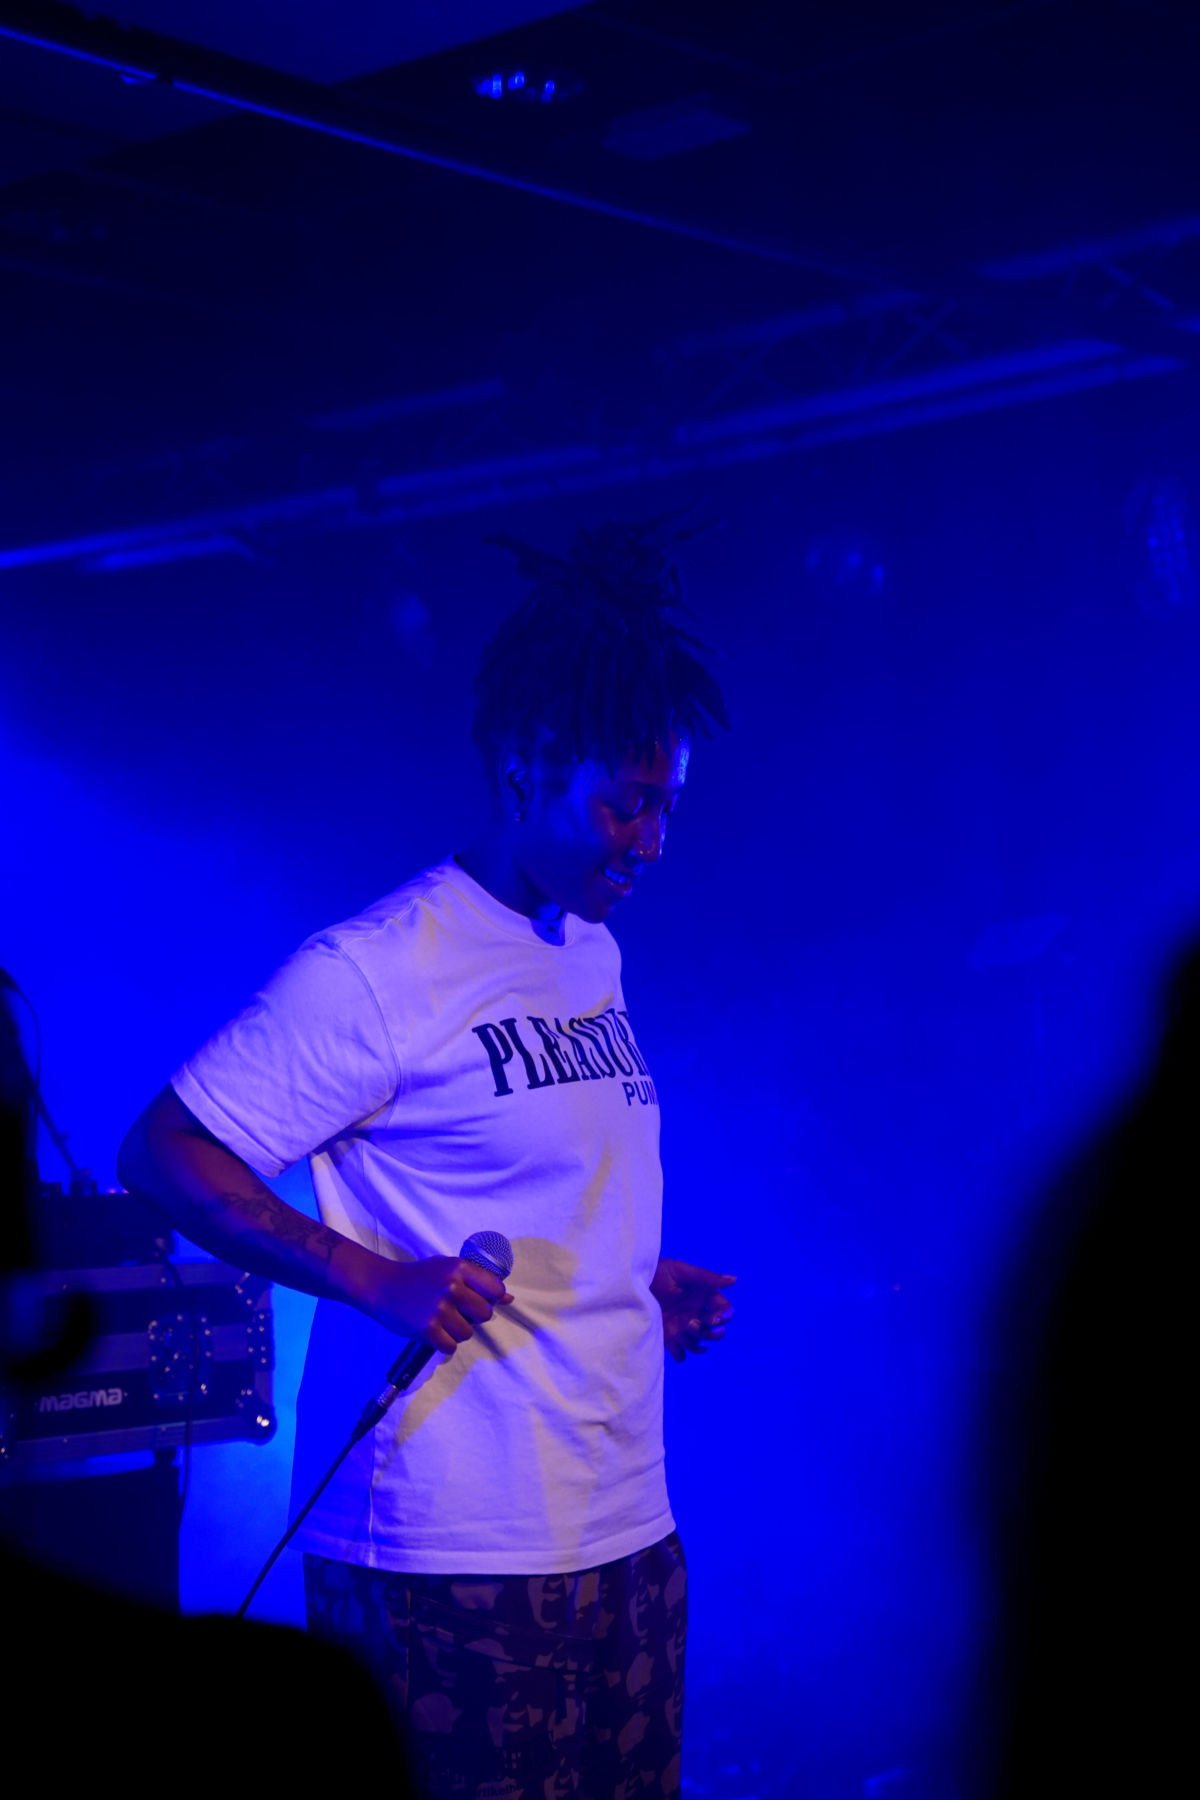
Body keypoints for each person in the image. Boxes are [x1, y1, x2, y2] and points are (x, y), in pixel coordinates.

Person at [118, 515, 737, 1799]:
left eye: (668, 807)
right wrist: (368, 1276)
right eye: (626, 805)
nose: (652, 842)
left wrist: (626, 1273)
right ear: (525, 763)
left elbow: (523, 1175)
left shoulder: (590, 949)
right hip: (447, 1552)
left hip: (625, 1525)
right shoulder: (377, 967)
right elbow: (165, 1152)